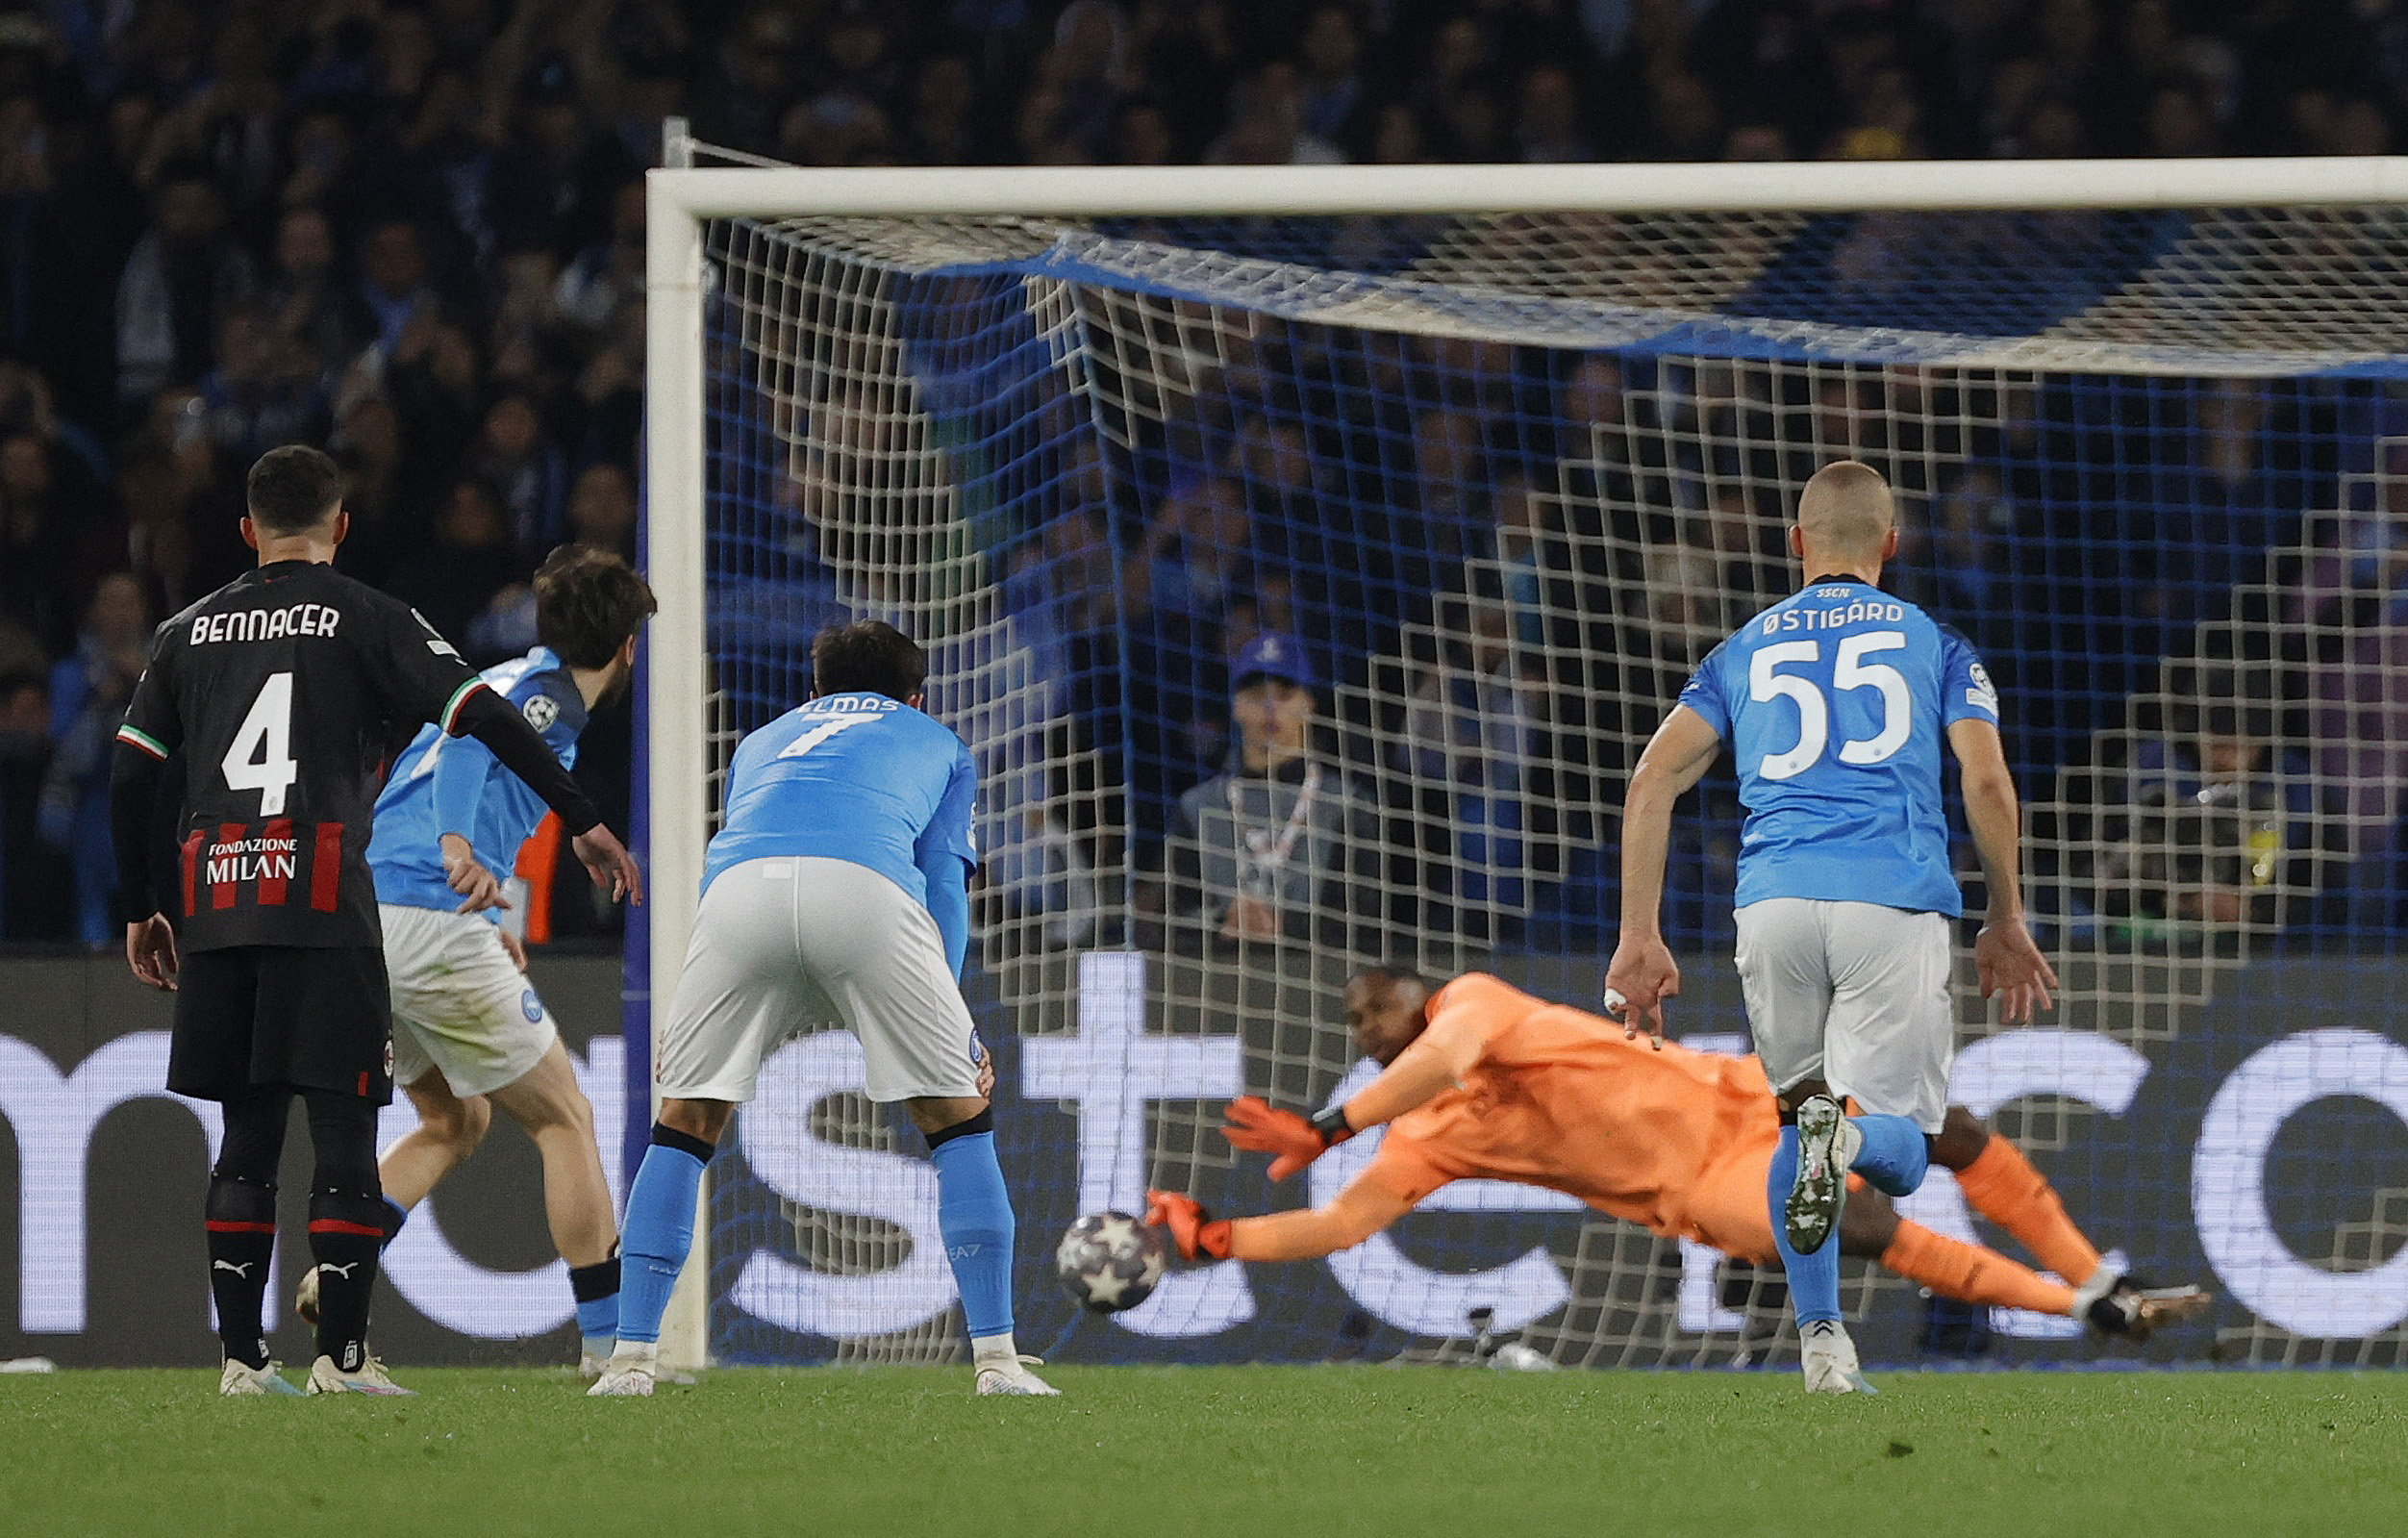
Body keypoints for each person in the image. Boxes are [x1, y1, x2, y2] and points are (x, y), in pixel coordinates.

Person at [108, 444, 642, 1399]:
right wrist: (501, 843)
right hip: (353, 902)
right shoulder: (495, 672)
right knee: (548, 1119)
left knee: (418, 1118)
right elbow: (472, 746)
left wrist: (142, 902)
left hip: (244, 898)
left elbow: (133, 767)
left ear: (246, 529)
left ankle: (256, 1349)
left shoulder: (187, 628)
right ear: (342, 526)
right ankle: (600, 1351)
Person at [1604, 459, 2060, 1394]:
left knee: (1794, 1118)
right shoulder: (1937, 645)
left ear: (1794, 545)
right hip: (1885, 906)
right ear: (1892, 543)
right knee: (1889, 1146)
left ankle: (1821, 1349)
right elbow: (1983, 782)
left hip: (1769, 907)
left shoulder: (1738, 649)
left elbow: (1649, 781)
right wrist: (2003, 913)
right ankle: (1841, 1145)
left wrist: (1636, 937)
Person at [1144, 969, 2204, 1347]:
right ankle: (2086, 1313)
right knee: (1862, 1224)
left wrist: (1332, 1125)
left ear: (1412, 995)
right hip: (1700, 1185)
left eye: (1373, 1005)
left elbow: (1448, 1050)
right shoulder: (1428, 1133)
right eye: (1352, 1023)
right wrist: (1217, 1236)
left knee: (1953, 1132)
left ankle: (2092, 1275)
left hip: (1747, 1091)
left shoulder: (1472, 1005)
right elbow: (1340, 1225)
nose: (1364, 1025)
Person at [592, 619, 1049, 1399]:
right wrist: (952, 1014)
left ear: (814, 691)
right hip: (864, 893)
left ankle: (629, 1361)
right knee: (957, 1116)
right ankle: (998, 1362)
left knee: (686, 1120)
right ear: (915, 695)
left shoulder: (762, 740)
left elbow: (736, 848)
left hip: (738, 903)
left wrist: (697, 995)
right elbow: (942, 882)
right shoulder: (937, 740)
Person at [287, 546, 656, 1381]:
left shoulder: (510, 676)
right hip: (427, 912)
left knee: (457, 1120)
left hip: (374, 914)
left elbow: (437, 779)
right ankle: (610, 1351)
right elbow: (459, 756)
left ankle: (337, 1276)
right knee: (565, 1117)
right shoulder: (547, 700)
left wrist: (489, 910)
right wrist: (456, 849)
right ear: (629, 646)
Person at [1166, 631, 1380, 950]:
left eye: (1283, 695)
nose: (1269, 707)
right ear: (1236, 707)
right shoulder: (1197, 805)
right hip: (1218, 979)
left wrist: (1285, 926)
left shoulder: (1347, 804)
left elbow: (1366, 915)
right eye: (1256, 695)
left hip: (1319, 978)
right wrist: (1223, 920)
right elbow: (1177, 911)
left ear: (1308, 705)